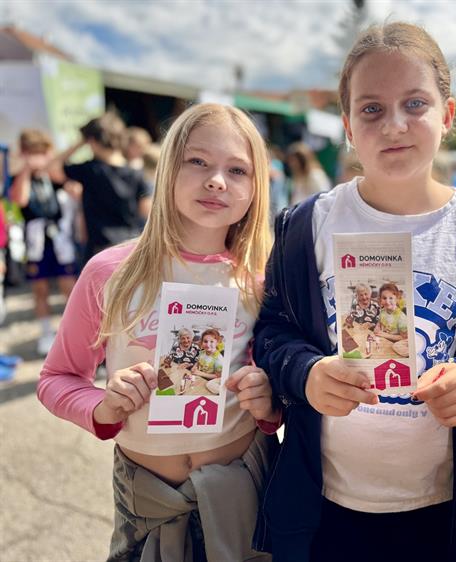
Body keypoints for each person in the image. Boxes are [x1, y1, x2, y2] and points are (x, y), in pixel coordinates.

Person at [252, 22, 456, 562]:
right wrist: (307, 373)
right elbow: (271, 331)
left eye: (415, 104)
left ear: (447, 116)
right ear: (348, 127)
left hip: (444, 512)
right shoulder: (306, 225)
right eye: (372, 108)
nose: (394, 124)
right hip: (327, 508)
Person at [37, 103, 280, 561]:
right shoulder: (111, 272)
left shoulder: (262, 280)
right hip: (145, 499)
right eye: (198, 161)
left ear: (256, 187)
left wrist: (270, 405)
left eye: (237, 170)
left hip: (245, 487)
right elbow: (56, 378)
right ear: (168, 168)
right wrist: (103, 406)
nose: (216, 180)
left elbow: (277, 387)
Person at [46, 113, 153, 263]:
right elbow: (147, 213)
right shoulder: (137, 175)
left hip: (100, 251)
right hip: (131, 249)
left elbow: (51, 168)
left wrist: (79, 143)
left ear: (92, 141)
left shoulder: (90, 170)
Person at [9, 129, 80, 355]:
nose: (36, 157)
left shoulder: (53, 174)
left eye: (40, 152)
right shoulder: (20, 176)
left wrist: (49, 162)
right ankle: (46, 332)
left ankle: (74, 332)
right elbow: (20, 199)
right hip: (35, 240)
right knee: (40, 289)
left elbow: (68, 183)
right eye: (32, 152)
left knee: (70, 287)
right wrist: (27, 168)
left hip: (60, 238)